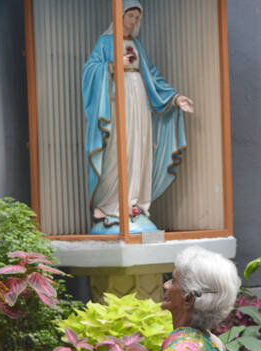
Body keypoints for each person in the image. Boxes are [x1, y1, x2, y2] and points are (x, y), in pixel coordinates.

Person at [83, 0, 194, 234]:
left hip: (138, 100)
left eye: (136, 17)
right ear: (119, 15)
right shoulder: (106, 42)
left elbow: (152, 75)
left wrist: (174, 98)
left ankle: (133, 204)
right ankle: (108, 205)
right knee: (116, 149)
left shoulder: (136, 45)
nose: (133, 21)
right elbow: (90, 71)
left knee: (138, 149)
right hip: (116, 101)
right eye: (129, 16)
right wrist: (113, 66)